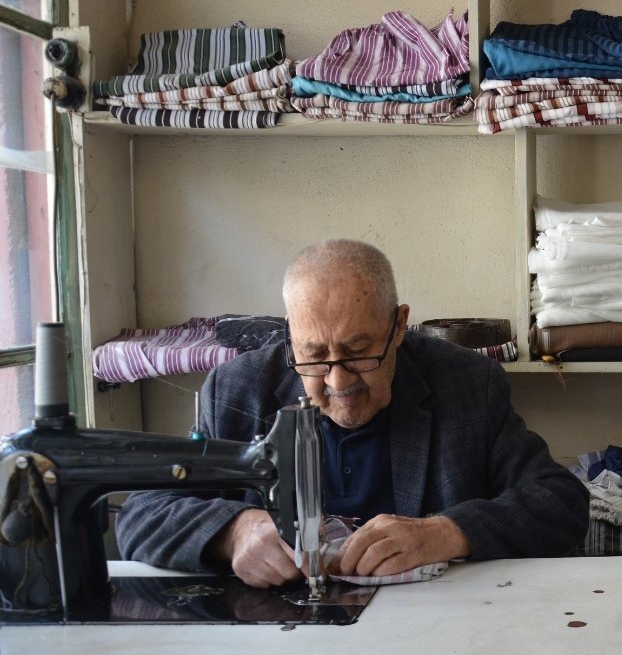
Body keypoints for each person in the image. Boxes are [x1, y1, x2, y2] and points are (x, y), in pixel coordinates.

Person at [116, 239, 589, 586]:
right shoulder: (237, 390)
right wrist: (232, 532)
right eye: (315, 355)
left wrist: (447, 533)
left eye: (360, 352)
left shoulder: (466, 384)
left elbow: (561, 502)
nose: (339, 382)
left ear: (398, 326)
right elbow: (140, 515)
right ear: (291, 336)